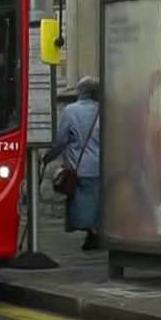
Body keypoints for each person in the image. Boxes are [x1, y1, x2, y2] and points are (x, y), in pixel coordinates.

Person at [44, 76, 102, 251]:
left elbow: (61, 140)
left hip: (80, 167)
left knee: (82, 205)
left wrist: (48, 156)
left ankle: (92, 234)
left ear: (80, 92)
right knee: (97, 203)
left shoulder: (71, 111)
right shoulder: (102, 110)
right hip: (101, 165)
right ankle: (95, 234)